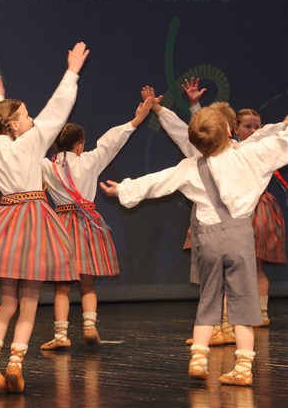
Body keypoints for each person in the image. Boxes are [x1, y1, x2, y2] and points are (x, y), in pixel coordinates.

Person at [100, 107, 288, 386]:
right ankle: (243, 367)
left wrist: (123, 189)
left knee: (209, 297)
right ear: (229, 131)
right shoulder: (249, 155)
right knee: (243, 301)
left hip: (209, 240)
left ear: (195, 143)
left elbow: (157, 181)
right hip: (239, 237)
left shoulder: (189, 167)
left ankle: (199, 357)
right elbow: (280, 144)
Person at [0, 41, 90, 394]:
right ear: (14, 125)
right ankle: (15, 363)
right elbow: (58, 108)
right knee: (29, 302)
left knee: (7, 301)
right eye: (27, 116)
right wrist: (72, 72)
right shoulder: (31, 141)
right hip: (34, 221)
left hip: (7, 221)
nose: (33, 120)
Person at [39, 97, 152, 350]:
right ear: (79, 145)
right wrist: (135, 121)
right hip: (87, 223)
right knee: (87, 283)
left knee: (62, 286)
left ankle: (61, 335)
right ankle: (89, 326)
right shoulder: (90, 160)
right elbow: (111, 142)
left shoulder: (47, 165)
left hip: (62, 225)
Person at [231, 108, 286, 327]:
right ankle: (233, 314)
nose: (253, 131)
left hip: (257, 210)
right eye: (248, 126)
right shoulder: (230, 149)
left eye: (257, 127)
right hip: (236, 209)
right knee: (234, 266)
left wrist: (283, 126)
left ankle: (261, 314)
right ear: (235, 129)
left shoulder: (262, 149)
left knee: (255, 266)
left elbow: (273, 136)